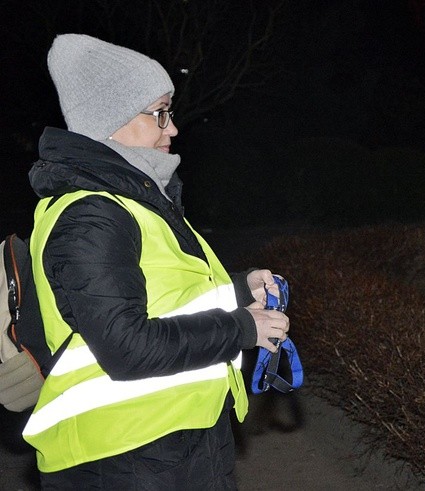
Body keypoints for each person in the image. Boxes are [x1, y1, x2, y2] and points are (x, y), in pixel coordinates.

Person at [22, 34, 290, 489]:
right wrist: (243, 328)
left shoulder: (136, 201)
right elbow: (127, 346)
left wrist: (244, 288)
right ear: (113, 119)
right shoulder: (91, 215)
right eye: (160, 113)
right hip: (123, 457)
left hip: (172, 444)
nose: (173, 128)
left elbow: (166, 293)